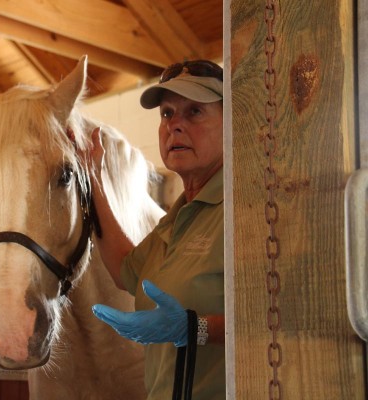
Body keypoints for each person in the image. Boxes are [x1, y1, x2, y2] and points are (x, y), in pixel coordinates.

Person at [87, 60, 225, 399]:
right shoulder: (176, 218)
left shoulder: (244, 211)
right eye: (167, 113)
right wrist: (95, 183)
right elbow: (125, 270)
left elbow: (284, 317)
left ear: (232, 123)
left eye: (194, 112)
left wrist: (195, 327)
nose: (174, 125)